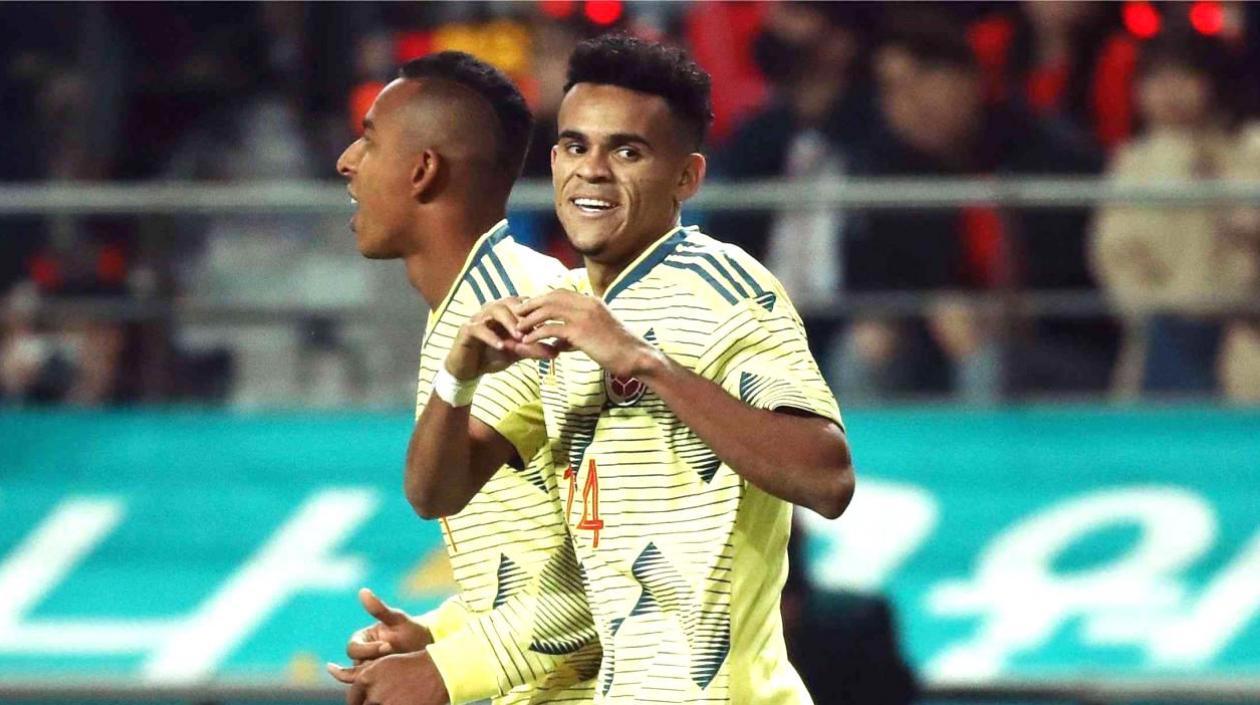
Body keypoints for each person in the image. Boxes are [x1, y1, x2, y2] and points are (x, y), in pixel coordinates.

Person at [407, 34, 855, 704]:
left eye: (627, 150)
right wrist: (459, 374)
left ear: (687, 177)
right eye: (575, 145)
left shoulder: (723, 285)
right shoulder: (566, 314)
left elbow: (828, 477)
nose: (592, 170)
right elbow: (437, 493)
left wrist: (642, 362)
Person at [324, 52, 599, 705]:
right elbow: (532, 566)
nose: (346, 160)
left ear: (422, 170)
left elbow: (627, 574)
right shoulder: (471, 306)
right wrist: (439, 634)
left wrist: (448, 670)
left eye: (368, 139)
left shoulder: (525, 312)